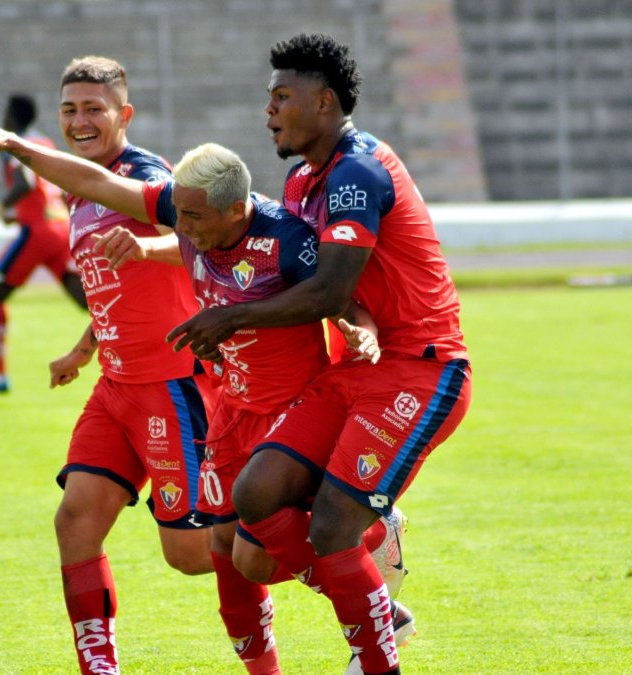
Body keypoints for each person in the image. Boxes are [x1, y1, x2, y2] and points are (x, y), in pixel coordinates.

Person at [0, 86, 414, 672]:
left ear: (233, 209)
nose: (184, 229)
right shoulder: (175, 212)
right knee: (176, 546)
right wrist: (14, 146)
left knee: (239, 557)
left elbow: (338, 293)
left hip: (246, 404)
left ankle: (372, 558)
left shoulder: (277, 235)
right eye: (69, 109)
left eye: (93, 108)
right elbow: (100, 203)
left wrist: (362, 328)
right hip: (195, 402)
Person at [167, 34, 473, 675]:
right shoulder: (305, 177)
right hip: (356, 370)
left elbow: (329, 288)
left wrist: (230, 316)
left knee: (328, 524)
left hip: (421, 367)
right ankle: (378, 575)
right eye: (269, 97)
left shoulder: (359, 172)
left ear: (325, 102)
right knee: (256, 496)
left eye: (283, 96)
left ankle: (375, 655)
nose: (270, 110)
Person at [0, 57, 214, 675]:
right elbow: (113, 286)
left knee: (190, 554)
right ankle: (100, 667)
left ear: (123, 115)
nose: (80, 120)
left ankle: (343, 541)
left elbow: (200, 237)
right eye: (70, 109)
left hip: (173, 386)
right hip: (117, 387)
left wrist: (149, 243)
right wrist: (84, 348)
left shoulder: (146, 174)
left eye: (94, 108)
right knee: (75, 521)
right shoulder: (79, 190)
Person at [0, 93, 88, 395]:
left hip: (37, 235)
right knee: (89, 302)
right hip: (59, 228)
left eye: (6, 112)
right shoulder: (45, 142)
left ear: (14, 117)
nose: (3, 118)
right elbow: (45, 193)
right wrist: (16, 216)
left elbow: (25, 185)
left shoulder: (14, 144)